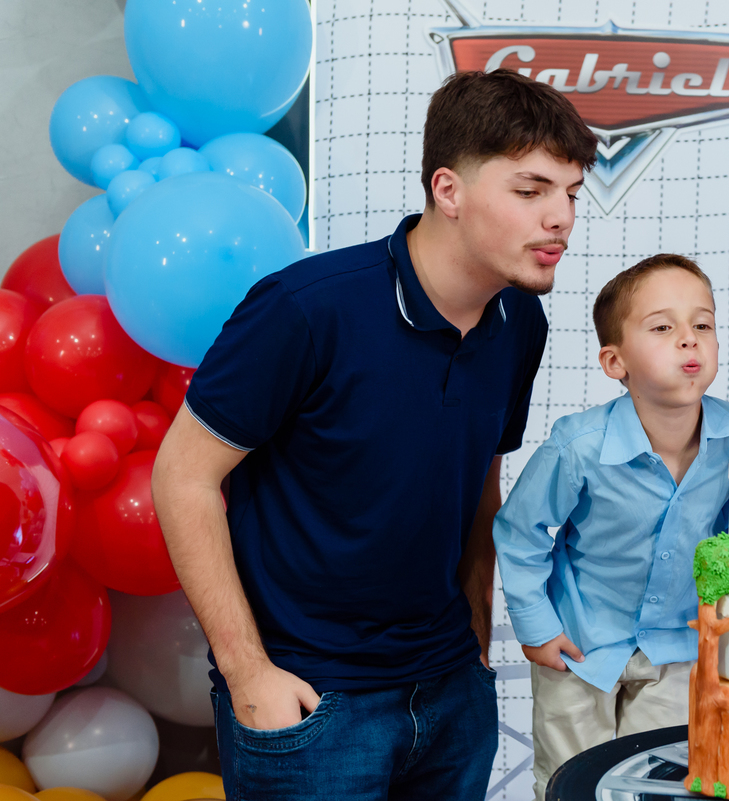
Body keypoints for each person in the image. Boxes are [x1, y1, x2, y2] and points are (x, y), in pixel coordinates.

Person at [150, 69, 597, 801]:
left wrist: (475, 635)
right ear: (448, 191)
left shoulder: (522, 321)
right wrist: (246, 672)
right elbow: (182, 477)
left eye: (571, 193)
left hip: (451, 693)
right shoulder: (304, 310)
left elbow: (480, 473)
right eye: (531, 190)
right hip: (313, 703)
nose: (561, 218)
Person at [493, 254, 729, 800]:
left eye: (702, 325)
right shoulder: (577, 446)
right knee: (570, 782)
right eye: (663, 327)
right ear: (615, 362)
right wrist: (536, 625)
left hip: (678, 648)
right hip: (580, 647)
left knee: (657, 781)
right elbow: (522, 534)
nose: (689, 340)